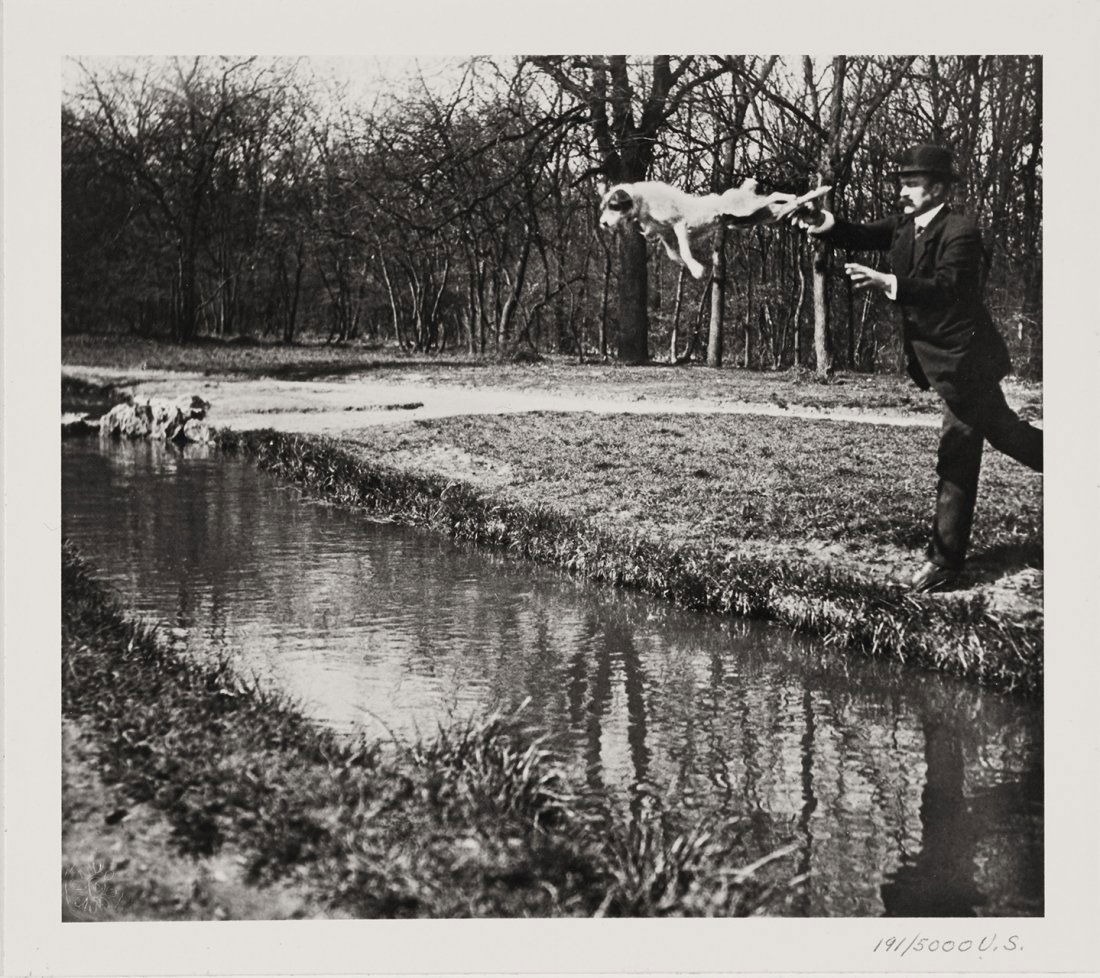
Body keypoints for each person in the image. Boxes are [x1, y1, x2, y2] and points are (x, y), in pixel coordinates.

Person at [788, 144, 1042, 593]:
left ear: (939, 189)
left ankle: (945, 562)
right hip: (943, 362)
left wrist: (888, 282)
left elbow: (948, 289)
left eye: (912, 185)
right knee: (1007, 434)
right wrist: (821, 222)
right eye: (901, 184)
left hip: (967, 362)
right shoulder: (906, 226)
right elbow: (860, 232)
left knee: (958, 454)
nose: (902, 193)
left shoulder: (962, 231)